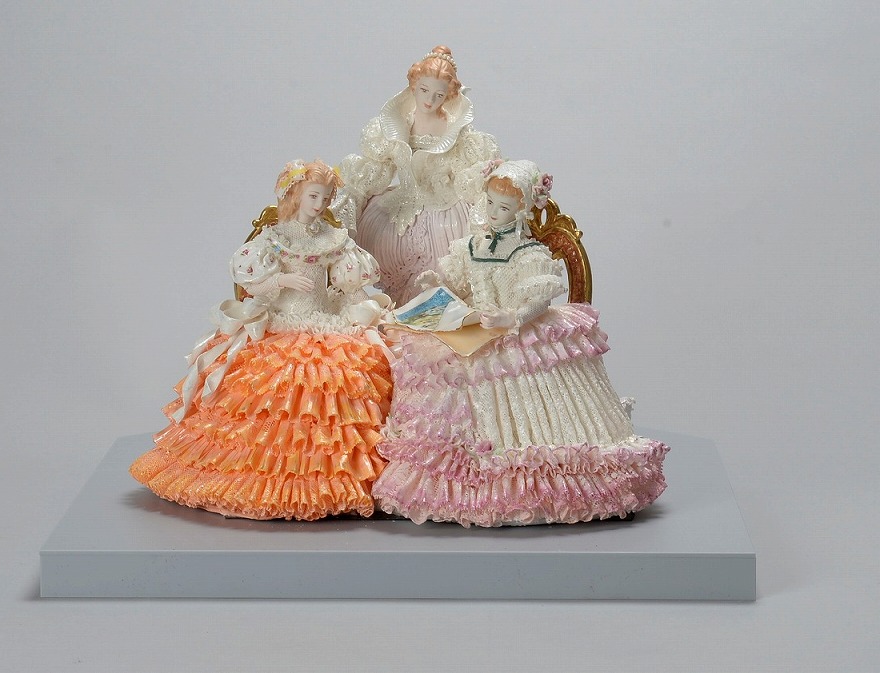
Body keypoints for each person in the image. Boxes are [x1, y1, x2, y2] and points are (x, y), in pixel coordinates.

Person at [372, 160, 669, 527]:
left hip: (518, 330)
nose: (494, 213)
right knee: (437, 363)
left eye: (504, 207)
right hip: (479, 325)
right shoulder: (472, 245)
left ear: (521, 210)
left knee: (514, 377)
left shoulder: (528, 253)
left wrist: (512, 318)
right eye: (490, 203)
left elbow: (540, 299)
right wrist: (439, 285)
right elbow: (460, 284)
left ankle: (533, 483)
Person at [130, 160, 393, 521]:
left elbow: (349, 287)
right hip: (284, 320)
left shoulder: (333, 239)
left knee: (347, 377)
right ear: (295, 195)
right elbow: (254, 286)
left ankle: (348, 477)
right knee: (277, 387)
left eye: (325, 197)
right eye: (313, 196)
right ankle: (273, 480)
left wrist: (366, 310)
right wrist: (282, 281)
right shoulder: (275, 237)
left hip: (324, 319)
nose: (319, 205)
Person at [333, 46, 501, 305]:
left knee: (445, 255)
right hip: (401, 205)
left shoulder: (455, 130)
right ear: (413, 85)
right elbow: (379, 169)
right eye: (424, 90)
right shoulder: (397, 123)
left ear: (449, 95)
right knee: (386, 244)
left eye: (438, 95)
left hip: (443, 208)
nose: (429, 100)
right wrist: (356, 193)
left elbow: (464, 176)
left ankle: (433, 312)